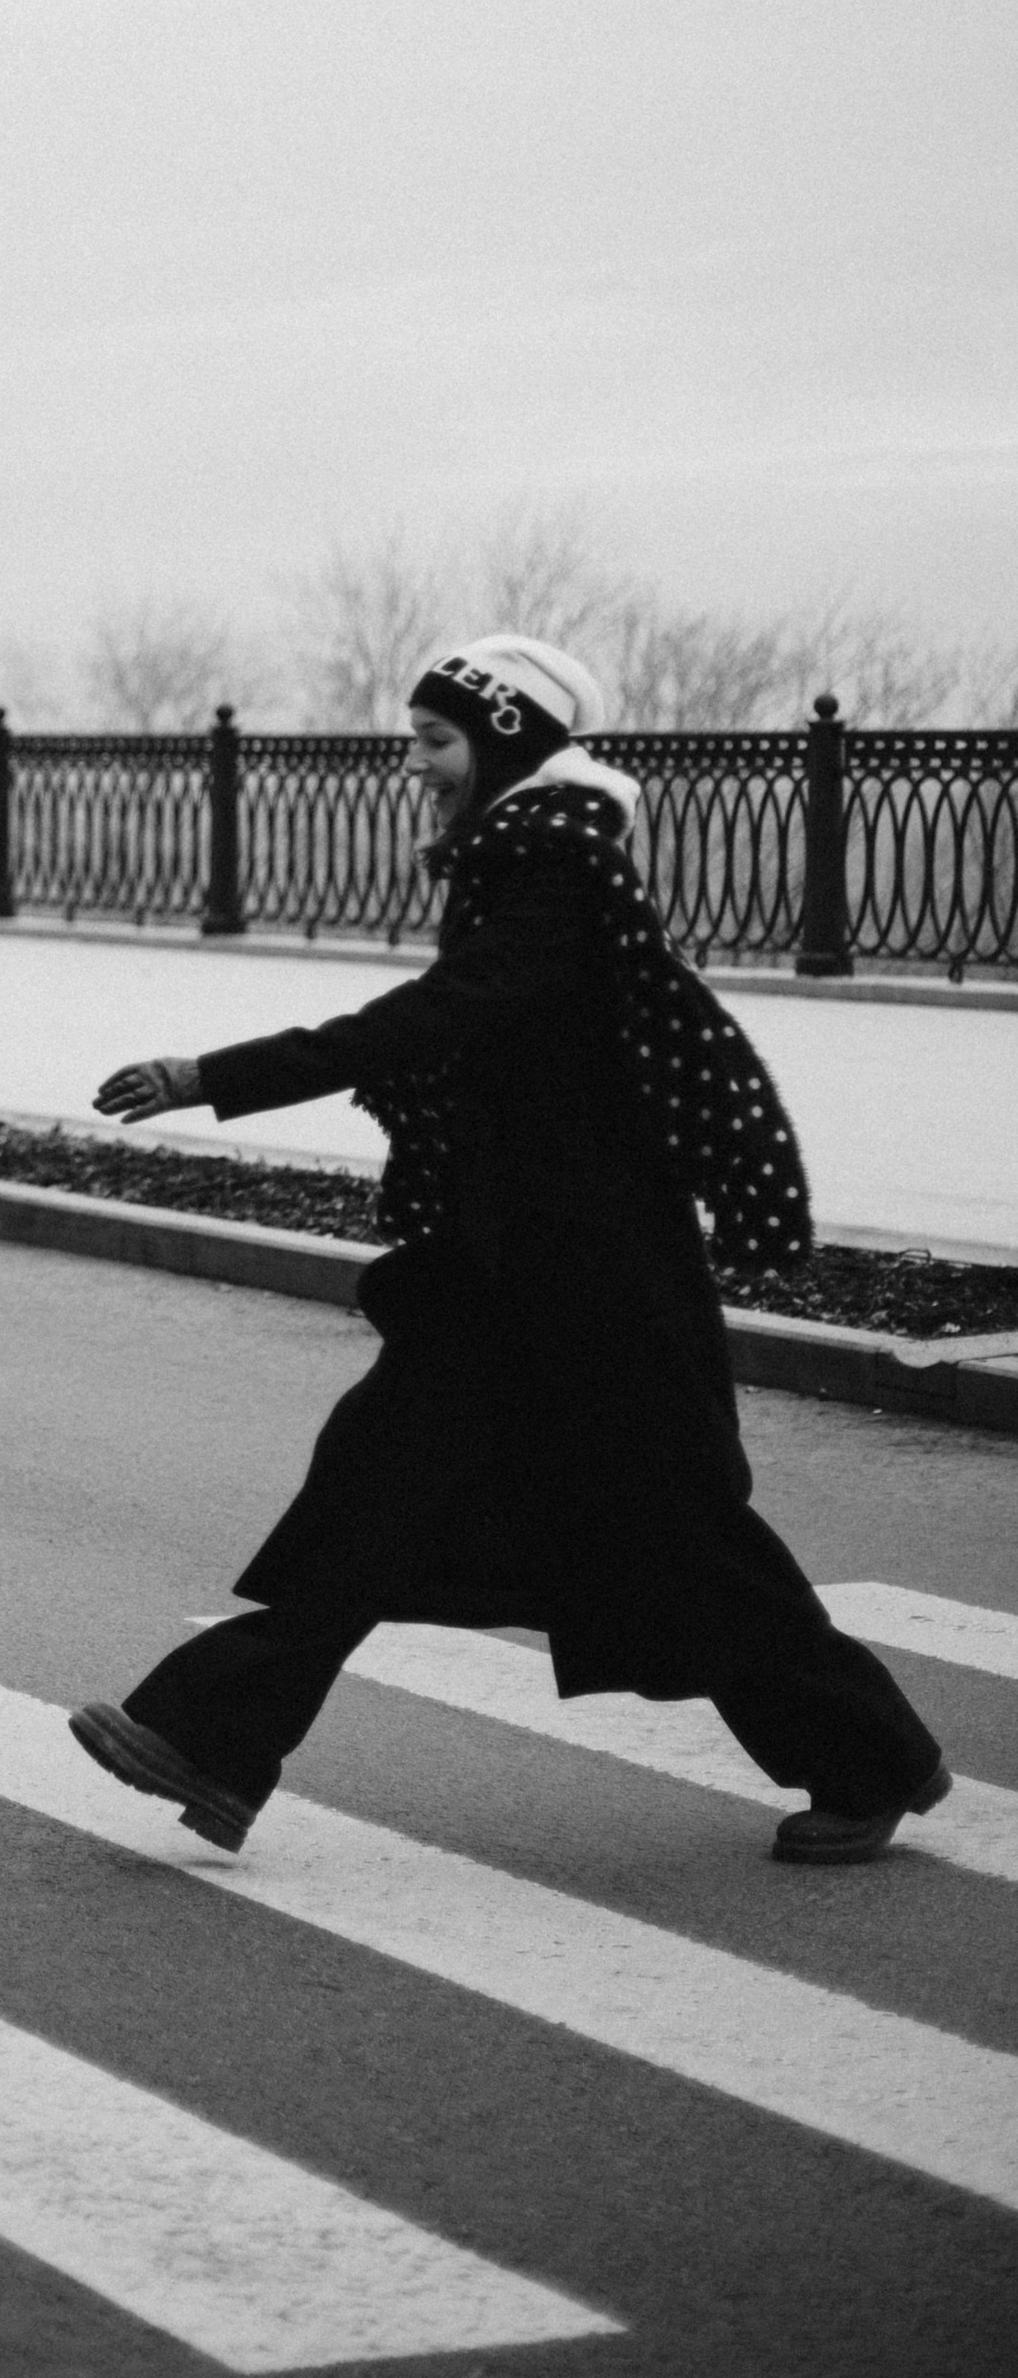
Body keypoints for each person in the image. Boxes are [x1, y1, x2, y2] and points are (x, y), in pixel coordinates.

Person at [69, 633, 949, 1871]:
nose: (418, 764)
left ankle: (872, 1762)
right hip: (501, 1272)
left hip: (596, 1277)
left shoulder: (553, 870)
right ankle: (210, 1740)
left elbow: (444, 1013)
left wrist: (215, 1077)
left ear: (509, 743)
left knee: (681, 1535)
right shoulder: (519, 861)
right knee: (371, 1497)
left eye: (438, 741)